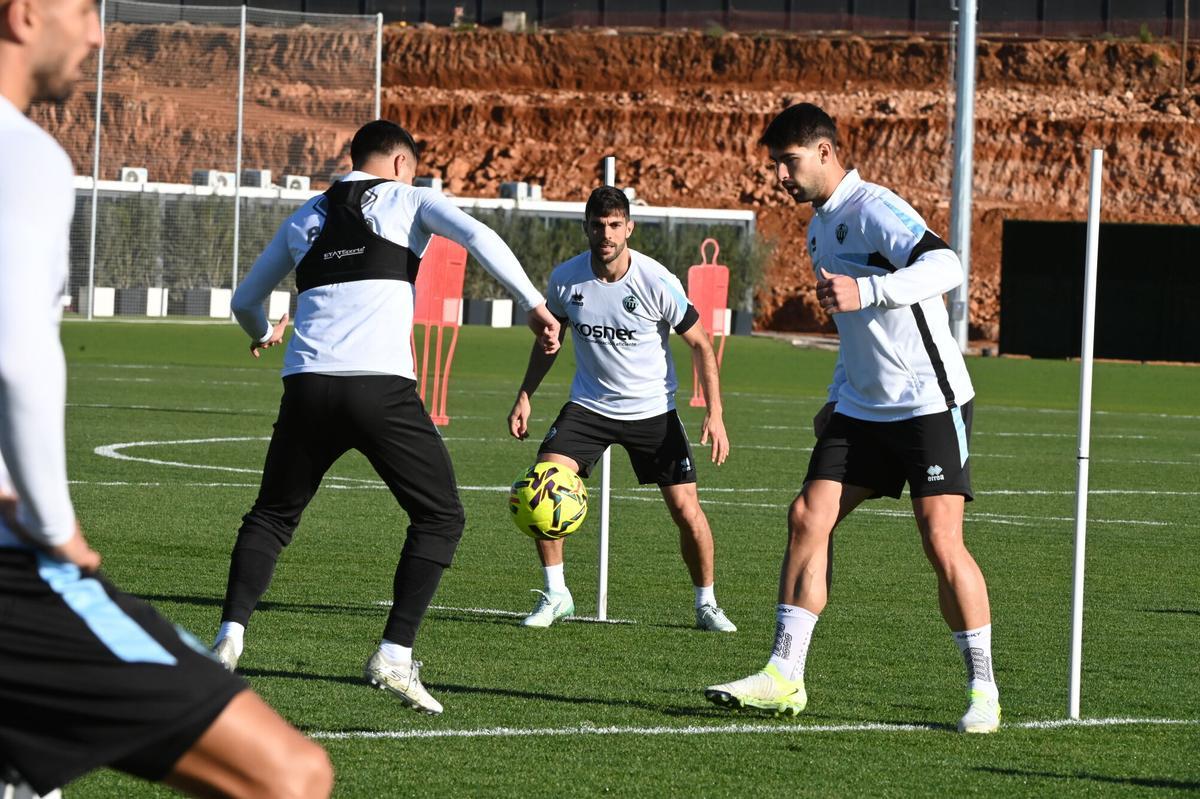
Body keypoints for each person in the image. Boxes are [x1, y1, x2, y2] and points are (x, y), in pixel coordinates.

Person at [0, 0, 334, 795]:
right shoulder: (23, 157)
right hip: (12, 576)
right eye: (83, 9)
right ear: (23, 14)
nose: (97, 33)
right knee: (290, 775)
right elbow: (17, 357)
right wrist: (59, 529)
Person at [214, 119, 561, 715]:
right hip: (379, 389)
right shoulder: (409, 200)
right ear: (402, 164)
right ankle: (394, 656)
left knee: (272, 515)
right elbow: (478, 235)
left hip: (307, 385)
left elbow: (244, 300)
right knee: (440, 515)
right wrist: (532, 303)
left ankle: (228, 639)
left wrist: (266, 331)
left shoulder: (305, 217)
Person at [704, 103, 1001, 733]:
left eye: (788, 162)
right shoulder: (819, 229)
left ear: (824, 152)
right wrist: (839, 392)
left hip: (927, 400)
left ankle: (983, 690)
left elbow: (947, 265)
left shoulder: (874, 208)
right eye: (776, 164)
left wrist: (868, 288)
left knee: (940, 539)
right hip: (862, 407)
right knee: (807, 516)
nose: (780, 176)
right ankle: (784, 675)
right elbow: (856, 331)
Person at [507, 186, 736, 633]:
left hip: (652, 410)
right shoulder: (567, 279)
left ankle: (706, 603)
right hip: (589, 407)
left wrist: (716, 412)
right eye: (598, 225)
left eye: (615, 225)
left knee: (687, 512)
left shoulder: (656, 281)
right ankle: (556, 594)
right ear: (586, 228)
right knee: (542, 484)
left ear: (629, 227)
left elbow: (701, 344)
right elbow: (549, 340)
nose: (606, 234)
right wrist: (525, 394)